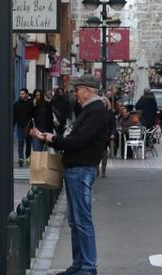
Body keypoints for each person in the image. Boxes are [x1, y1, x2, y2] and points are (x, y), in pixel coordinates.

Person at [32, 75, 109, 275]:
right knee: (75, 221)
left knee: (82, 220)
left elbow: (79, 141)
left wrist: (54, 139)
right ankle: (79, 264)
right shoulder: (89, 110)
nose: (75, 94)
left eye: (78, 90)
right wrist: (50, 138)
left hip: (82, 168)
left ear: (88, 90)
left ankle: (88, 266)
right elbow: (76, 138)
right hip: (77, 168)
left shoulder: (96, 111)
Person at [13, 89, 35, 166]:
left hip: (29, 126)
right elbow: (14, 116)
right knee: (20, 142)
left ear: (26, 94)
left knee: (28, 143)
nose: (21, 95)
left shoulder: (30, 104)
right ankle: (21, 158)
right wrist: (13, 126)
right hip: (20, 126)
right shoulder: (16, 104)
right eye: (20, 94)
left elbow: (33, 115)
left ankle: (28, 157)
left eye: (22, 94)